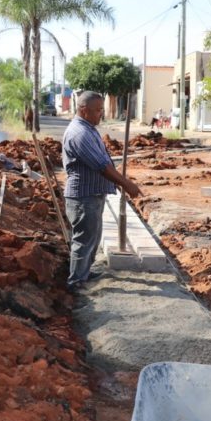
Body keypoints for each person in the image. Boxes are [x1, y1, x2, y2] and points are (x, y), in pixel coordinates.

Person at [62, 91, 141, 288]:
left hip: (92, 193)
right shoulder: (79, 133)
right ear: (83, 109)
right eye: (97, 110)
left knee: (93, 237)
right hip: (83, 196)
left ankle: (84, 273)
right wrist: (127, 184)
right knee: (83, 240)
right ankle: (76, 282)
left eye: (101, 110)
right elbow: (101, 167)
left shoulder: (88, 128)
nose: (101, 114)